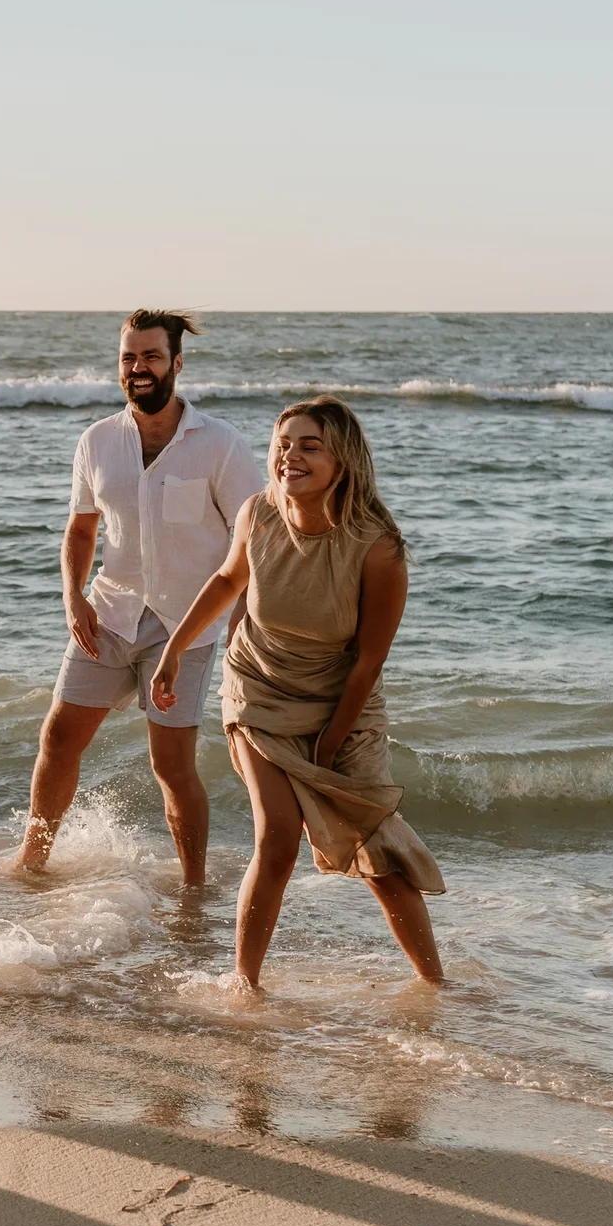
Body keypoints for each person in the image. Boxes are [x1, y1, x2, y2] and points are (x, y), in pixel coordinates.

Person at [150, 395, 444, 988]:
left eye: (310, 446)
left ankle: (436, 985)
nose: (291, 457)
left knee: (379, 857)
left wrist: (330, 745)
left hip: (344, 705)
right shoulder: (258, 514)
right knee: (278, 837)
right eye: (284, 445)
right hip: (259, 690)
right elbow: (228, 579)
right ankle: (246, 984)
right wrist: (174, 650)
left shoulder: (377, 547)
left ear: (344, 460)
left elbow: (368, 661)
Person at [18, 309, 264, 887]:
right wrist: (73, 596)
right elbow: (81, 529)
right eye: (129, 357)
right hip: (109, 614)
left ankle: (193, 886)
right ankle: (31, 863)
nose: (138, 368)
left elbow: (255, 540)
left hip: (186, 627)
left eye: (151, 357)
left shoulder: (221, 446)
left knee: (170, 765)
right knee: (57, 738)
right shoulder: (97, 441)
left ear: (177, 364)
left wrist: (241, 625)